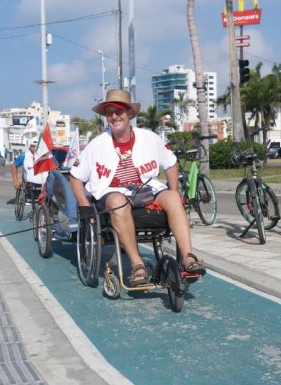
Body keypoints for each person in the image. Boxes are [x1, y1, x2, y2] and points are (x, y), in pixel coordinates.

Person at [69, 89, 206, 286]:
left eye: (119, 111)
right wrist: (84, 205)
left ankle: (188, 258)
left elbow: (171, 163)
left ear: (130, 114)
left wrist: (173, 189)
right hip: (113, 193)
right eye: (109, 112)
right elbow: (75, 176)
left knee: (174, 198)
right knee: (117, 201)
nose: (114, 116)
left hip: (147, 189)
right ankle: (137, 265)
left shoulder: (149, 138)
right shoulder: (97, 145)